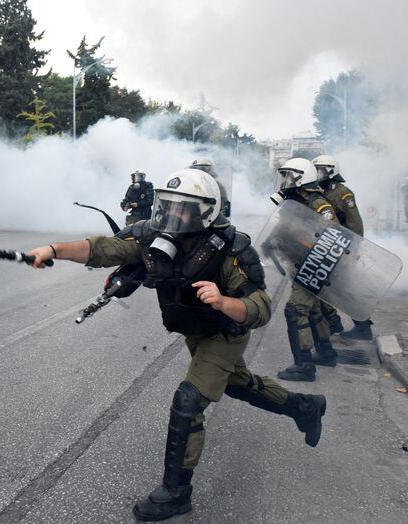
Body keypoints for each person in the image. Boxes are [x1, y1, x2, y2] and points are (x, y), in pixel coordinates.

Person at [28, 168, 326, 522]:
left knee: (189, 399)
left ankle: (176, 493)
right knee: (237, 384)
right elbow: (102, 248)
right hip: (195, 330)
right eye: (168, 205)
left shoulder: (232, 249)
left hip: (224, 331)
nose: (173, 215)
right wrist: (53, 249)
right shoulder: (151, 236)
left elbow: (260, 307)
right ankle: (304, 407)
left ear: (207, 212)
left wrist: (225, 302)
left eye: (183, 208)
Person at [270, 158, 339, 379]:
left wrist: (307, 245)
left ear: (302, 178)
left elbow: (333, 235)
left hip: (316, 264)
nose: (286, 181)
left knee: (296, 309)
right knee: (314, 308)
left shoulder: (318, 204)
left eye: (290, 176)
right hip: (307, 263)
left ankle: (304, 365)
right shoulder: (298, 201)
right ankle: (326, 352)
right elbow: (288, 227)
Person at [313, 155, 372, 341]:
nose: (317, 174)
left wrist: (353, 249)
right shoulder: (319, 192)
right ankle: (333, 323)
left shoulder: (343, 193)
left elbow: (355, 224)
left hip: (344, 248)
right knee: (325, 287)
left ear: (331, 171)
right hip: (328, 247)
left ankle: (363, 327)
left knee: (344, 289)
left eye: (320, 170)